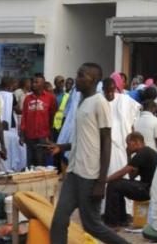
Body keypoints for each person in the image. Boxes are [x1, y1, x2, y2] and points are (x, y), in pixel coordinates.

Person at [49, 63, 128, 244]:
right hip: (74, 172)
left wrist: (101, 182)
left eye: (81, 75)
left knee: (92, 225)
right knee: (59, 220)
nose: (76, 78)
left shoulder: (100, 103)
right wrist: (62, 147)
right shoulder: (82, 102)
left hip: (90, 175)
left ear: (92, 80)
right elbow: (82, 139)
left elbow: (106, 141)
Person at [103, 132, 157, 227]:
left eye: (128, 144)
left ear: (136, 142)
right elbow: (131, 176)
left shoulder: (144, 152)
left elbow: (123, 172)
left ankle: (112, 222)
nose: (127, 147)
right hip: (148, 188)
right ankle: (121, 219)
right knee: (117, 184)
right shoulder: (143, 153)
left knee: (114, 185)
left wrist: (104, 180)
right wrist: (128, 156)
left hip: (148, 189)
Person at [102, 78, 141, 182]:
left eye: (112, 90)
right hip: (105, 142)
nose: (110, 94)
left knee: (122, 168)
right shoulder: (99, 101)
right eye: (107, 91)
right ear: (103, 90)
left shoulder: (124, 100)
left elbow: (133, 117)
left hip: (122, 143)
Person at [20, 74, 57, 167]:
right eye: (32, 82)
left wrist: (49, 133)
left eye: (36, 82)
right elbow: (24, 116)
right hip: (29, 135)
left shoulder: (50, 98)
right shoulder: (27, 98)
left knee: (41, 161)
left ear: (43, 84)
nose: (33, 84)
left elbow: (52, 115)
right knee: (30, 161)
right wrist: (22, 134)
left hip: (43, 136)